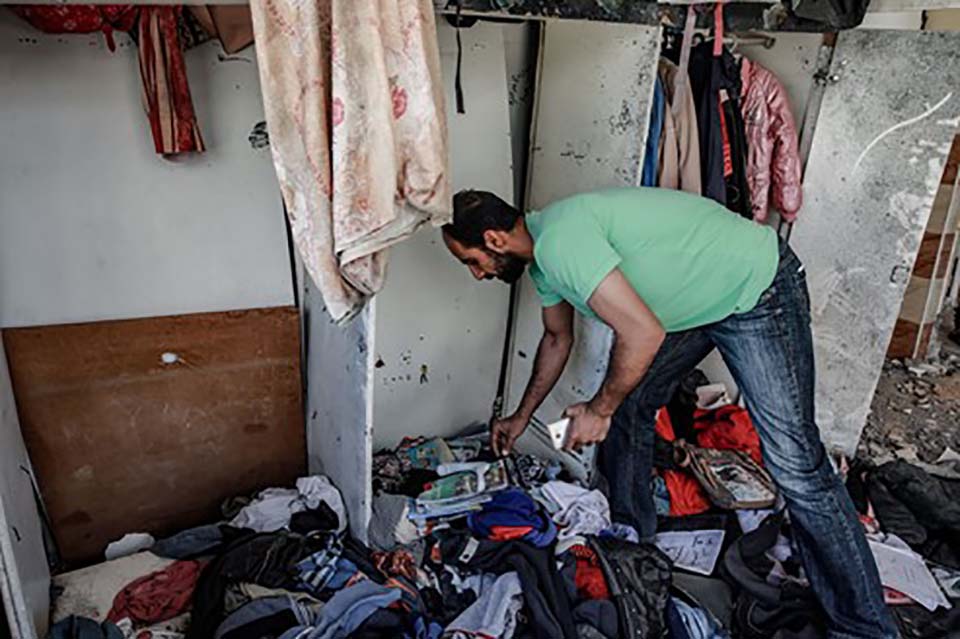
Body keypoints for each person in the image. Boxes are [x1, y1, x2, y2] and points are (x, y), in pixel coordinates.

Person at [442, 187, 898, 639]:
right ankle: (633, 542)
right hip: (703, 300)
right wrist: (522, 415)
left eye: (471, 261)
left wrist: (599, 409)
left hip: (755, 287)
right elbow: (557, 339)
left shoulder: (561, 242)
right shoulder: (544, 260)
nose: (478, 275)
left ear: (494, 240)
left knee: (797, 466)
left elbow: (642, 333)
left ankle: (866, 627)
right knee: (634, 404)